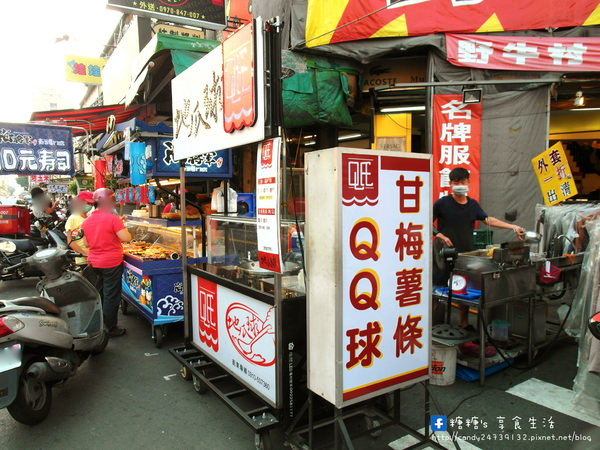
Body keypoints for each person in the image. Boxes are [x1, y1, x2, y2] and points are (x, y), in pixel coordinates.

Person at [433, 167, 525, 329]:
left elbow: (488, 219)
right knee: (438, 288)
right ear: (450, 184)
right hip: (444, 253)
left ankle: (464, 323)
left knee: (464, 288)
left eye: (462, 182)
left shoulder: (473, 205)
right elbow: (424, 221)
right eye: (456, 182)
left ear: (468, 182)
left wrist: (512, 227)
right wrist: (439, 235)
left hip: (466, 253)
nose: (459, 185)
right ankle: (434, 323)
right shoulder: (442, 203)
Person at [81, 188, 131, 337]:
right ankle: (110, 328)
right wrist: (122, 228)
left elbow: (86, 243)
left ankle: (100, 325)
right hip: (111, 263)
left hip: (93, 263)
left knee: (100, 294)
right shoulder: (112, 218)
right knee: (111, 296)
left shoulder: (87, 220)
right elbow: (126, 238)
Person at [65, 191, 94, 263]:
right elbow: (70, 241)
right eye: (88, 203)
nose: (90, 206)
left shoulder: (89, 217)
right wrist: (85, 255)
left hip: (93, 257)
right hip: (83, 260)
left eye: (91, 204)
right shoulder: (73, 218)